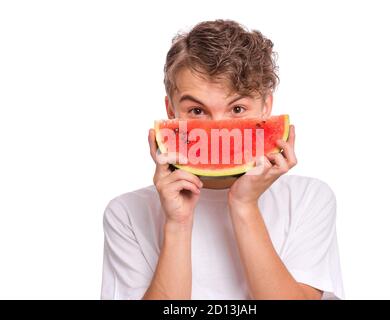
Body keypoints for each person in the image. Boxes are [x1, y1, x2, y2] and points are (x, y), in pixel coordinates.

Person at [101, 19, 344, 300]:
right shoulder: (127, 213)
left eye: (237, 108)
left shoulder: (308, 199)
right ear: (171, 111)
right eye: (196, 111)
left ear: (266, 107)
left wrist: (244, 205)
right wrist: (177, 224)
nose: (218, 128)